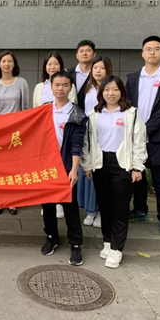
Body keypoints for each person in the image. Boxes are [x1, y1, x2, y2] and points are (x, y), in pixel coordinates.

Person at [82, 75, 147, 268]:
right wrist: (87, 164)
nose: (111, 93)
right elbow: (88, 142)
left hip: (122, 164)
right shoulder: (94, 115)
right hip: (100, 163)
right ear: (102, 92)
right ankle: (108, 241)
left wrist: (137, 167)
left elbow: (139, 141)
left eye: (115, 89)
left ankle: (117, 249)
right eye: (107, 89)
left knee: (120, 207)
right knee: (105, 206)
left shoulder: (131, 113)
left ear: (122, 92)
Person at [126, 36, 160, 237]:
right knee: (137, 176)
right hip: (136, 137)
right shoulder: (133, 78)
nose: (152, 52)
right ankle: (140, 210)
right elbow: (126, 104)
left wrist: (145, 129)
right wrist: (134, 131)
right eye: (148, 49)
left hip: (158, 137)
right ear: (142, 53)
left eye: (157, 49)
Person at [41, 71, 87, 266]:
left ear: (71, 88)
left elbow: (77, 144)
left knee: (70, 207)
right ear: (51, 87)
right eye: (57, 85)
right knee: (47, 205)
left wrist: (74, 169)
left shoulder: (77, 114)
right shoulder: (42, 111)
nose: (60, 88)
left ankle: (75, 244)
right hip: (45, 166)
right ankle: (51, 236)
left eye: (65, 85)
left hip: (66, 166)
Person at [33, 51, 76, 219]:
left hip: (63, 130)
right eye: (49, 64)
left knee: (62, 166)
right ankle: (47, 200)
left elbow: (73, 107)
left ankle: (59, 202)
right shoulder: (39, 87)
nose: (52, 67)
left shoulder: (69, 85)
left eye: (55, 63)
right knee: (47, 168)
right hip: (44, 133)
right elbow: (35, 109)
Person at [0, 50, 29, 215]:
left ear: (14, 64)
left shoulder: (22, 83)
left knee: (14, 167)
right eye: (3, 61)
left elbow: (26, 107)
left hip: (16, 131)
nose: (6, 64)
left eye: (10, 61)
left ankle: (13, 200)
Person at [77, 56, 113, 228]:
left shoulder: (111, 89)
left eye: (102, 68)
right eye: (95, 67)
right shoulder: (87, 88)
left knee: (101, 173)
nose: (98, 71)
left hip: (104, 135)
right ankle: (90, 210)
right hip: (87, 133)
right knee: (87, 171)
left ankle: (100, 211)